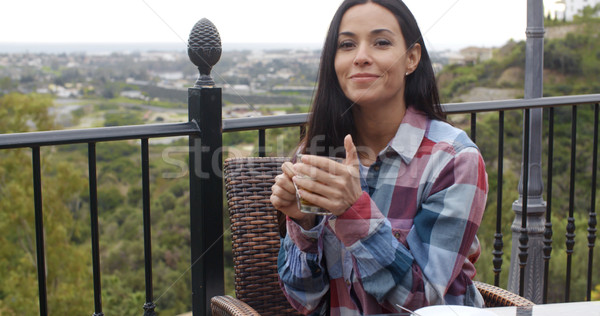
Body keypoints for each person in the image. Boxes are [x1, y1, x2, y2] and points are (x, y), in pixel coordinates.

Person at [270, 0, 488, 314]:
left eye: (381, 42)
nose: (360, 57)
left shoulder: (453, 160)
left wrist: (353, 212)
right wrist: (303, 225)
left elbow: (421, 300)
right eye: (346, 44)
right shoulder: (317, 153)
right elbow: (304, 300)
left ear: (411, 58)